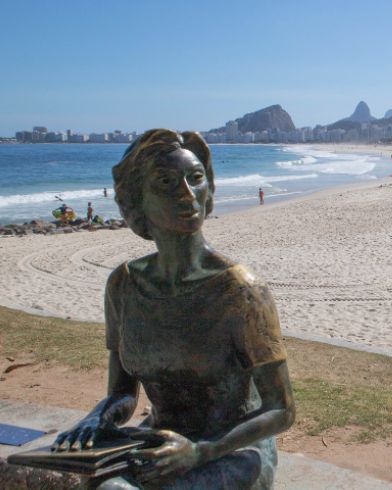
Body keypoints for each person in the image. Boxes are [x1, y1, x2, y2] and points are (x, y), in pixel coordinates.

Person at [55, 129, 295, 489]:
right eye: (166, 182)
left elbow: (282, 409)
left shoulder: (241, 291)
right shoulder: (123, 286)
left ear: (209, 188)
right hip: (159, 441)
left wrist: (200, 451)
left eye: (196, 178)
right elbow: (123, 394)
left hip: (234, 451)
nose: (187, 194)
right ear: (136, 201)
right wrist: (98, 418)